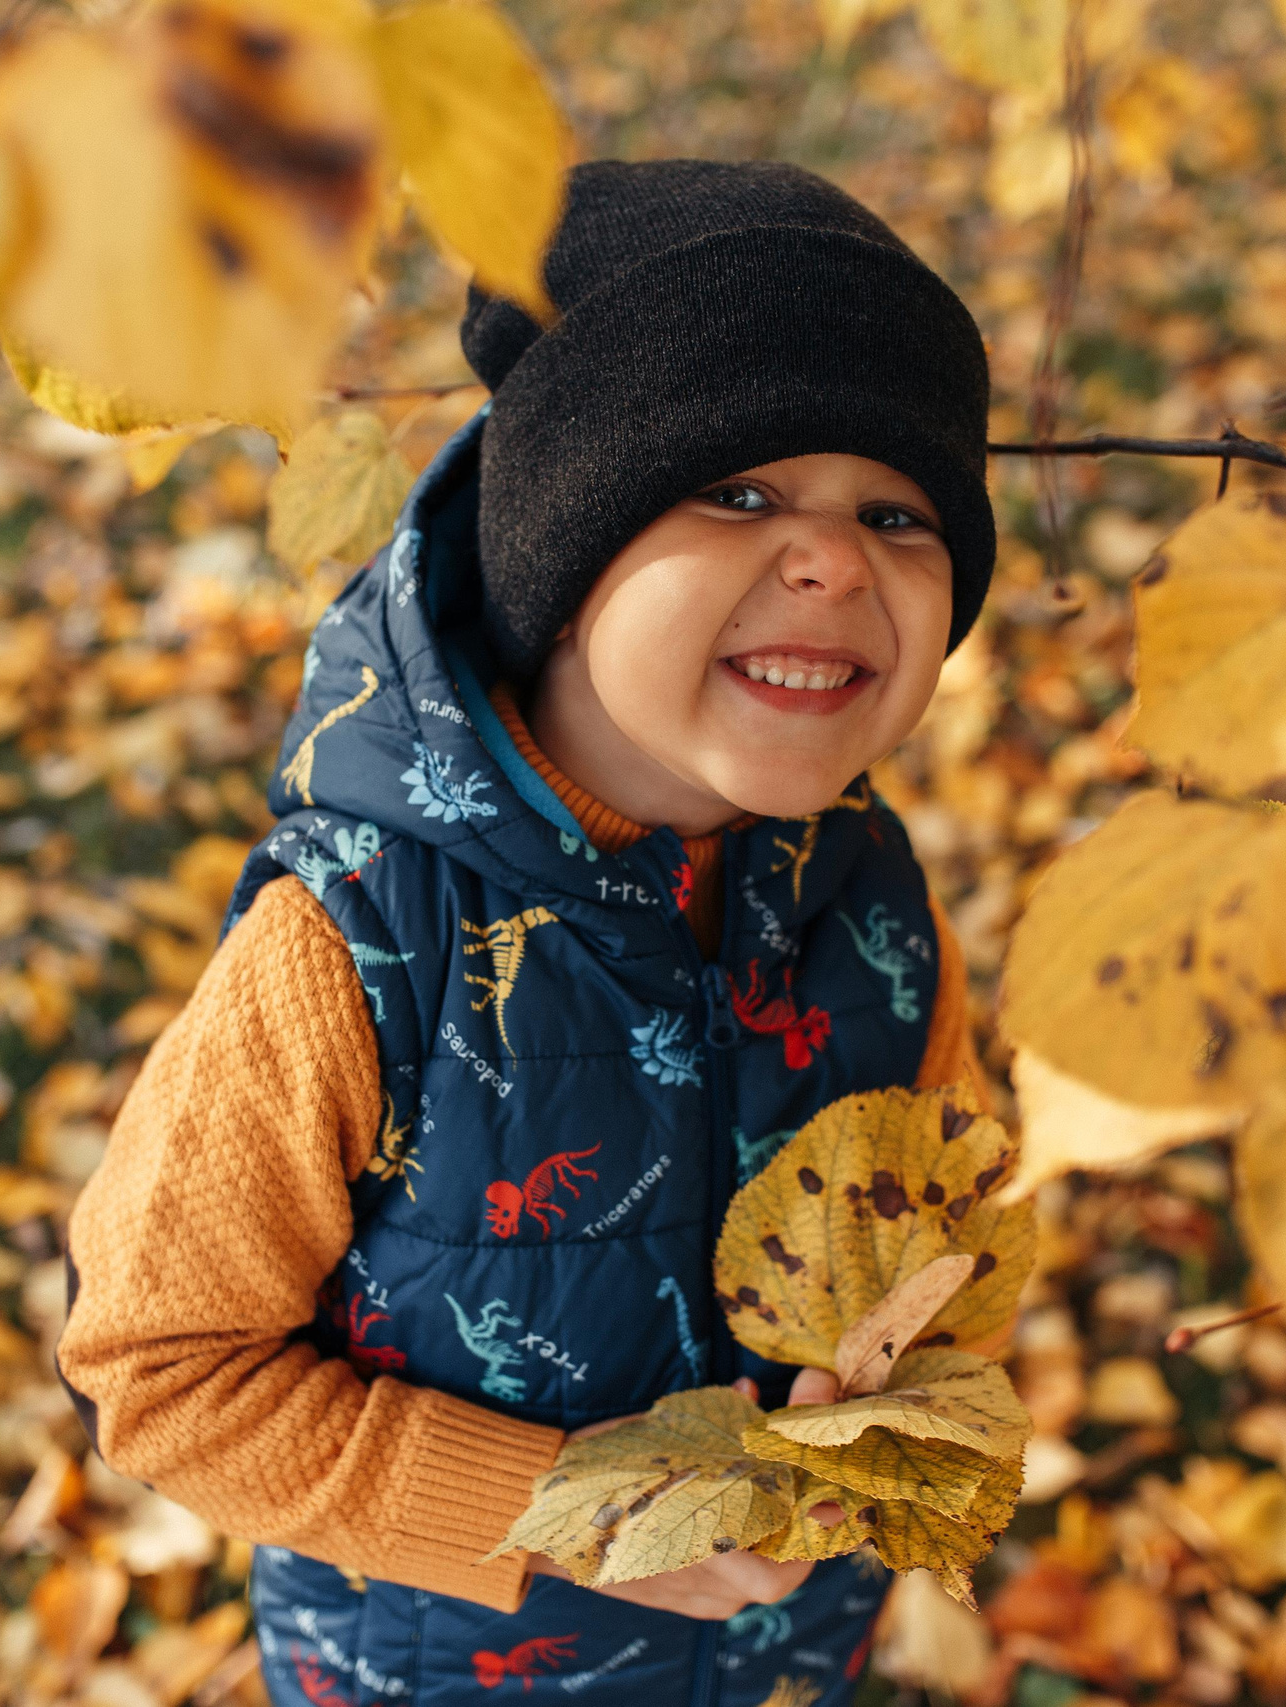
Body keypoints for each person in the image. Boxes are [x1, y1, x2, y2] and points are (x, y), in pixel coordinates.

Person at [59, 157, 998, 1707]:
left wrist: (902, 1379)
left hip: (780, 1655)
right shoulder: (355, 951)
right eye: (741, 491)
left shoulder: (871, 903)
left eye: (898, 513)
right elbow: (164, 1374)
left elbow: (954, 1221)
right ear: (563, 547)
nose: (837, 560)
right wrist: (567, 1514)